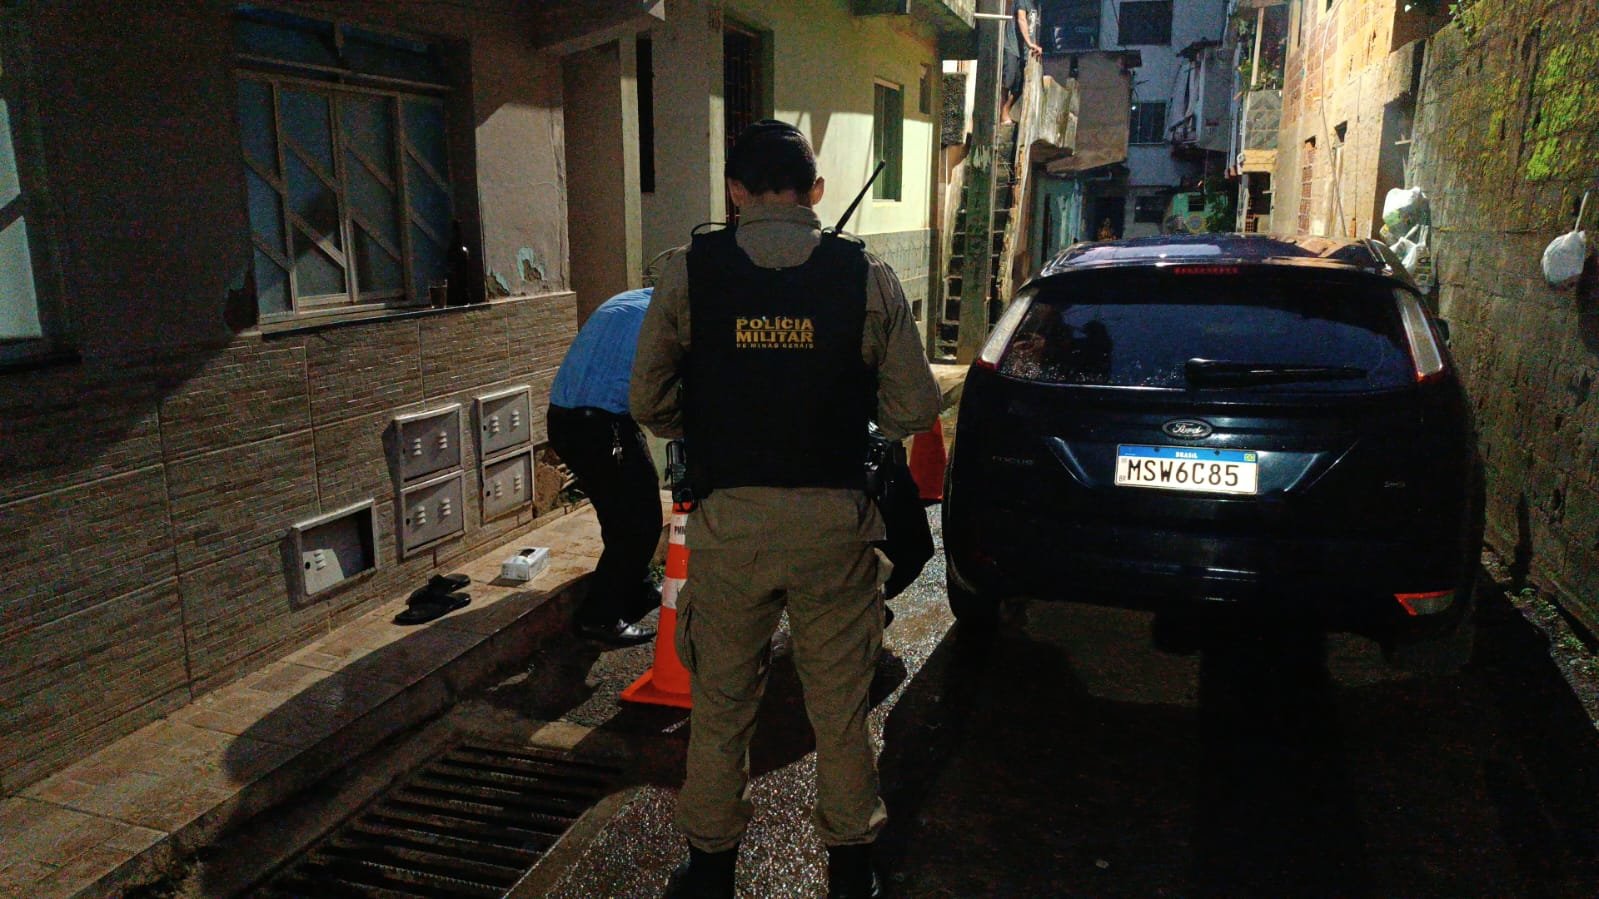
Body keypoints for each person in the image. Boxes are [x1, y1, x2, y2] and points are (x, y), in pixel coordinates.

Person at [631, 121, 940, 899]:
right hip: (835, 526)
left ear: (734, 190)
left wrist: (715, 423)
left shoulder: (687, 272)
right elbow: (912, 407)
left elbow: (649, 402)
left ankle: (710, 872)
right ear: (815, 191)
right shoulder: (865, 274)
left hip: (729, 524)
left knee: (720, 705)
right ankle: (849, 872)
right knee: (839, 710)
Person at [547, 287, 663, 647]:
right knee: (639, 523)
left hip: (571, 419)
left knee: (623, 514)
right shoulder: (665, 317)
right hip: (598, 424)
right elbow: (662, 393)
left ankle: (637, 590)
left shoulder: (631, 300)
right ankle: (598, 618)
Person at [1001, 0, 1043, 126]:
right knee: (1008, 80)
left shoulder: (1037, 5)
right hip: (1012, 46)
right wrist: (1030, 43)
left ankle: (1006, 110)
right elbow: (1021, 19)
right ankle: (1002, 113)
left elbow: (1035, 28)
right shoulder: (1022, 1)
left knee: (1020, 86)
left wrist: (1035, 46)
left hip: (1025, 51)